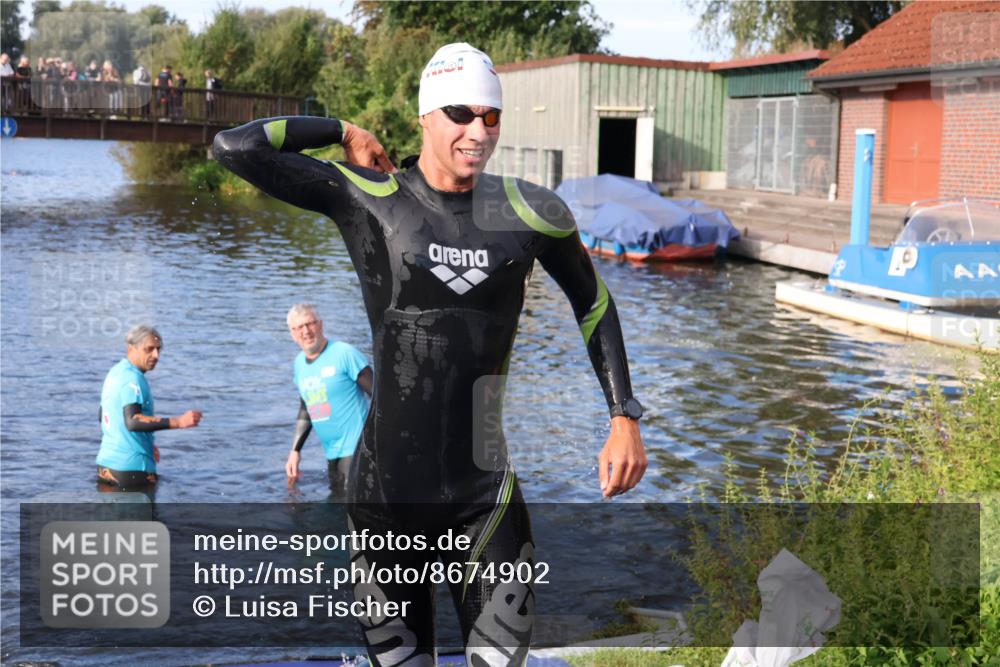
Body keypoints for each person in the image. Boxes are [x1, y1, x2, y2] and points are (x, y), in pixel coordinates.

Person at [214, 42, 646, 665]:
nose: (478, 131)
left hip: (483, 495)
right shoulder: (370, 198)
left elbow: (595, 302)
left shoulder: (531, 210)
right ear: (425, 115)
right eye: (460, 114)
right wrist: (343, 130)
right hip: (384, 501)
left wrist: (623, 415)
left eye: (491, 117)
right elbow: (236, 147)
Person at [96, 325, 202, 489]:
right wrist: (179, 422)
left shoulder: (115, 372)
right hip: (133, 471)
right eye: (149, 349)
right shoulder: (133, 379)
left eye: (159, 349)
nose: (156, 355)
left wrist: (145, 442)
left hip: (106, 467)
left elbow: (103, 415)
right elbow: (133, 421)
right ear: (131, 348)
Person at [285, 303, 372, 493]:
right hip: (332, 451)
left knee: (348, 507)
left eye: (310, 324)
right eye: (299, 327)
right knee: (337, 504)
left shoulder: (344, 353)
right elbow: (305, 408)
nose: (306, 331)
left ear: (321, 324)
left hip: (358, 448)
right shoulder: (299, 364)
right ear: (292, 333)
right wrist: (295, 451)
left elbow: (380, 396)